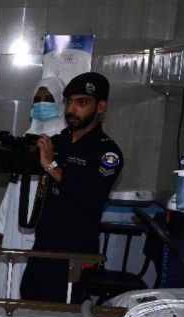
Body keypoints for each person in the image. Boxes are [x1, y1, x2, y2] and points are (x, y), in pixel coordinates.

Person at [20, 72, 124, 303]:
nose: (72, 110)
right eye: (69, 102)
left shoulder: (107, 152)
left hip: (75, 254)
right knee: (29, 307)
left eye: (82, 103)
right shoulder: (59, 142)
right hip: (43, 247)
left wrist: (52, 166)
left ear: (101, 107)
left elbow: (90, 197)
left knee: (63, 316)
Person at [0, 76, 66, 298]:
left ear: (59, 102)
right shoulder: (26, 137)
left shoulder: (65, 140)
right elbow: (13, 185)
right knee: (11, 276)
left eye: (48, 99)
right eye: (37, 99)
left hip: (45, 222)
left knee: (35, 280)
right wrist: (0, 226)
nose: (42, 104)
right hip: (16, 219)